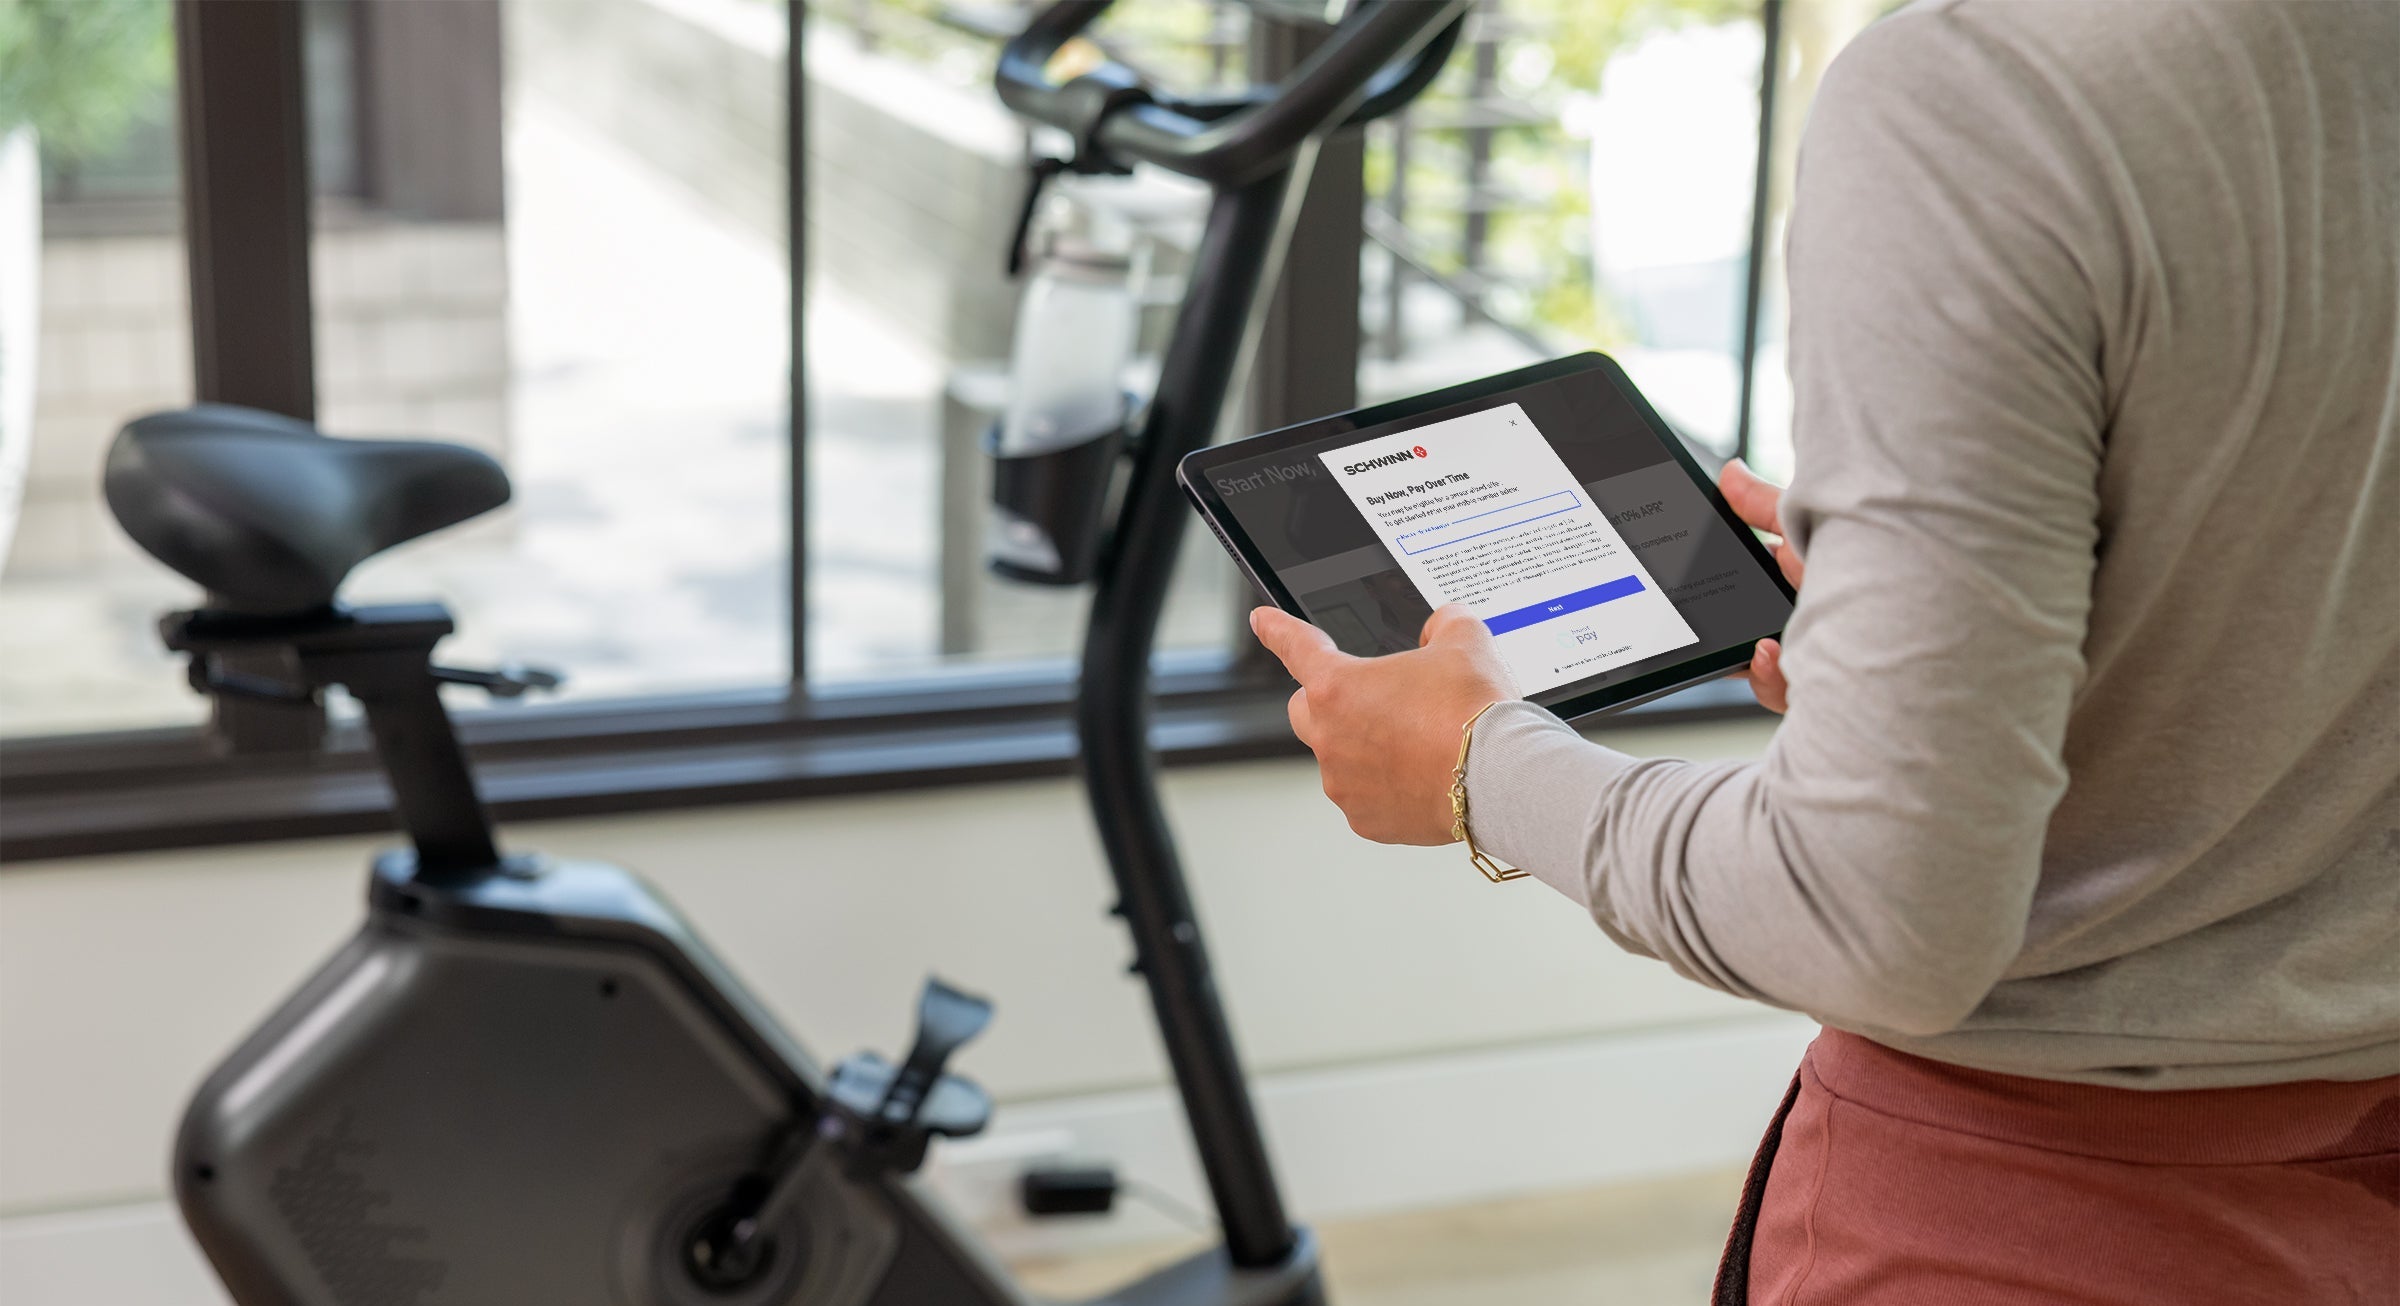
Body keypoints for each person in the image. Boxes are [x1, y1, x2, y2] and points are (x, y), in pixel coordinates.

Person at [1248, 1, 2400, 1301]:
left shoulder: (1979, 95)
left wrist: (1475, 763)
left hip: (2048, 1216)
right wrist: (1934, 637)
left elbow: (1874, 912)